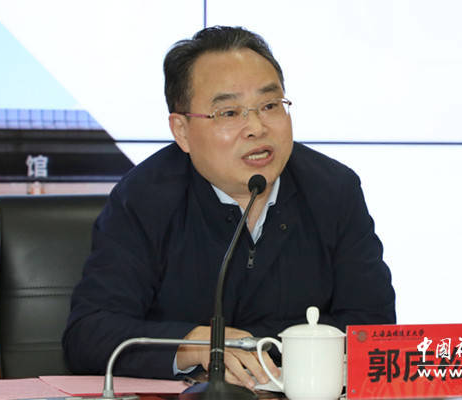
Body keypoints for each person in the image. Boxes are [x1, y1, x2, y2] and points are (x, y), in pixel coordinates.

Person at [62, 26, 395, 389]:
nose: (256, 127)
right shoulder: (144, 198)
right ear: (182, 131)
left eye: (270, 106)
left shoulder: (334, 190)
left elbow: (373, 329)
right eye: (229, 112)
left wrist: (259, 351)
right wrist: (190, 344)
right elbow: (89, 334)